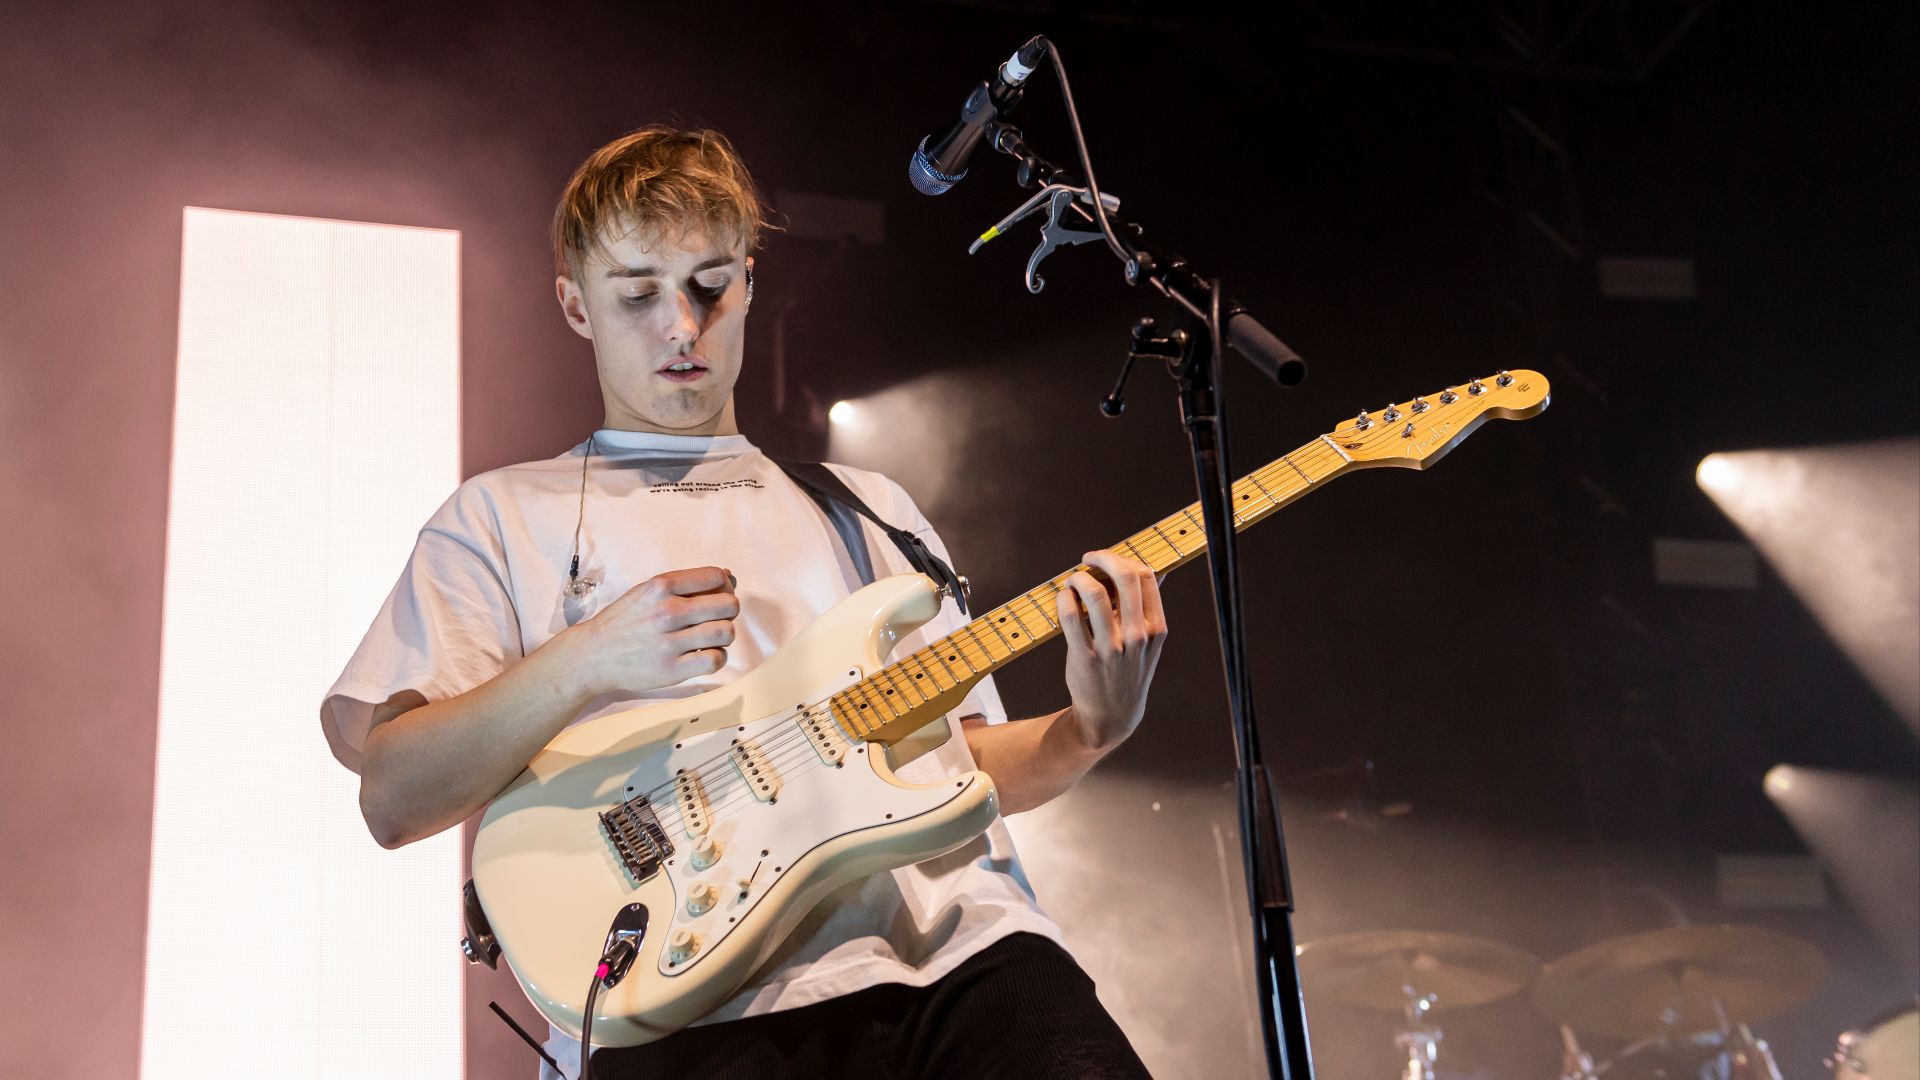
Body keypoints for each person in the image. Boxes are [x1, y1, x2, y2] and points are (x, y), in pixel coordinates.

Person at [320, 126, 1168, 1079]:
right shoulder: (500, 514)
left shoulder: (869, 509)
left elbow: (961, 762)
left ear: (752, 282)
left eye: (710, 285)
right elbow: (393, 796)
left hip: (966, 956)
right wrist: (590, 658)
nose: (681, 325)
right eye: (638, 294)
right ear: (574, 306)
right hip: (690, 1002)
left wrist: (1092, 728)